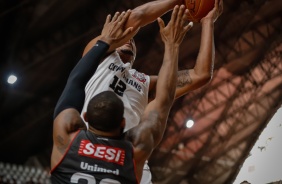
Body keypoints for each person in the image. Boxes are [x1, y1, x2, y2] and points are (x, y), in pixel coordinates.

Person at [81, 0, 223, 183]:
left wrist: (207, 23)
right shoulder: (97, 58)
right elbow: (136, 18)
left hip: (131, 158)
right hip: (92, 150)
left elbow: (200, 75)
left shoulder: (145, 83)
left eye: (133, 41)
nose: (130, 39)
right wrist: (177, 2)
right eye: (127, 36)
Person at [50, 6, 191, 184]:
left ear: (84, 116)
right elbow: (164, 101)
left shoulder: (67, 138)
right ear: (123, 122)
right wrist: (172, 45)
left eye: (133, 41)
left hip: (85, 143)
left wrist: (104, 41)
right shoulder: (134, 153)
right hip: (123, 153)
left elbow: (75, 81)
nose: (130, 40)